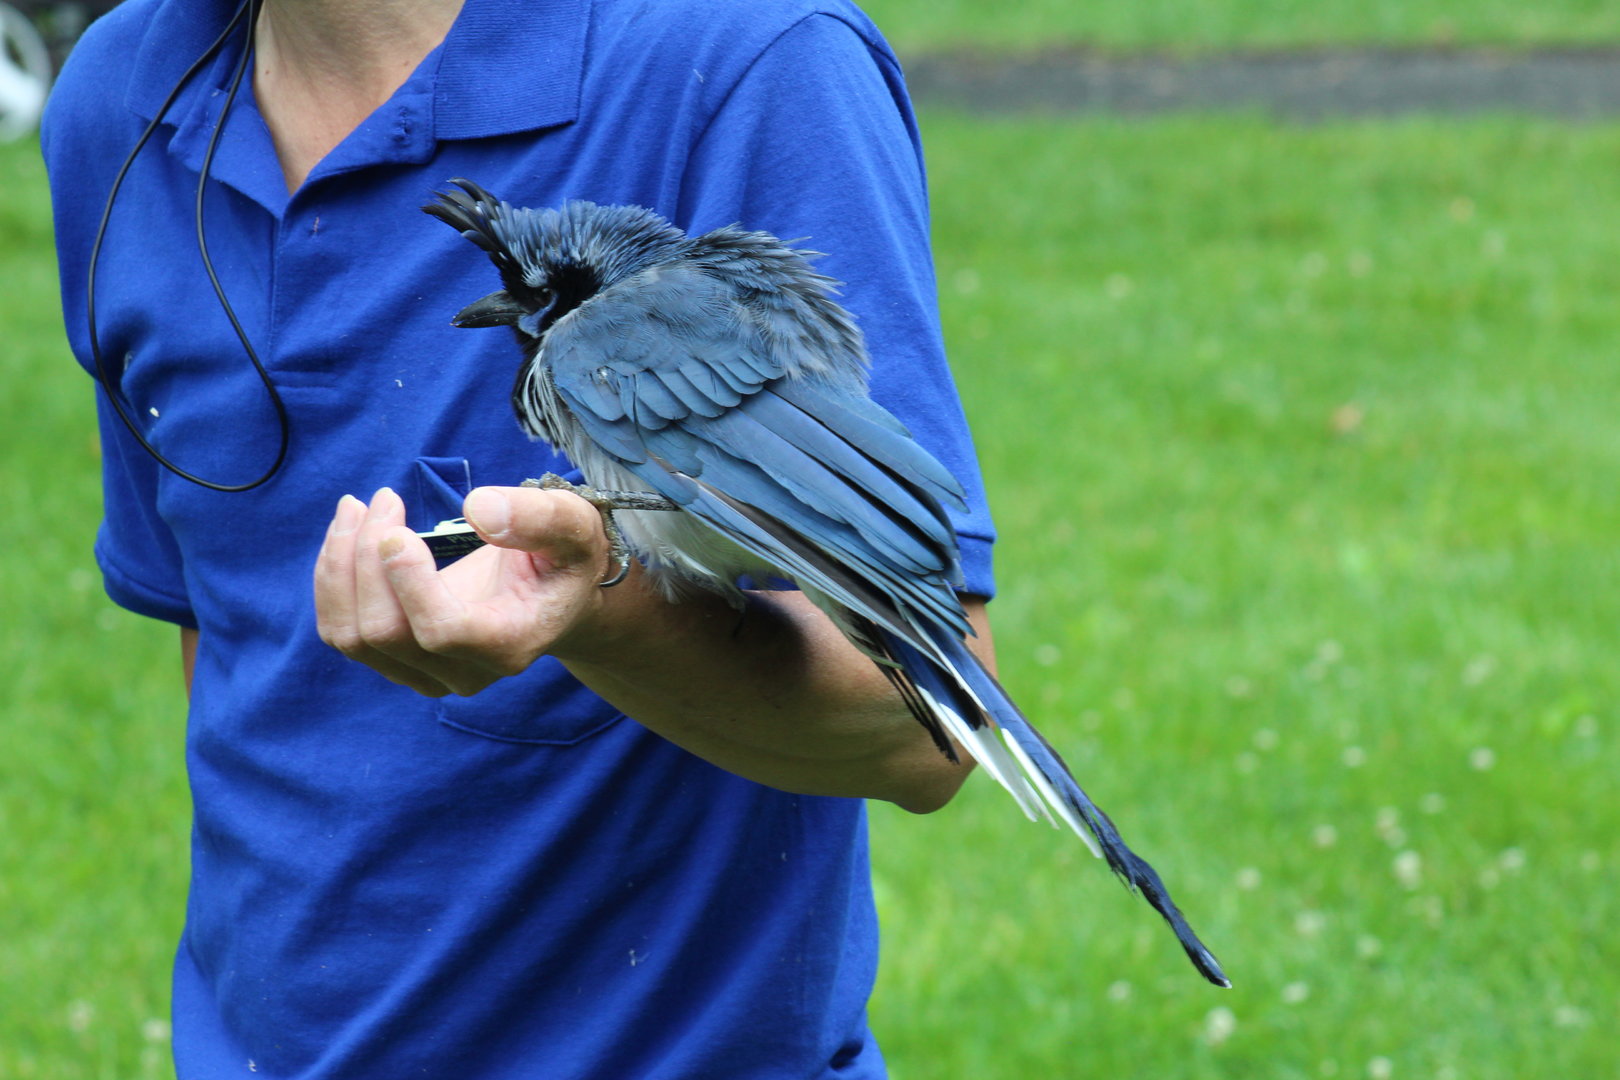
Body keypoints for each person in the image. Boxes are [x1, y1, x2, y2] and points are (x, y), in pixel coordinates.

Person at [43, 0, 999, 1075]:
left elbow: (934, 725)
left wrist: (600, 611)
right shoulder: (118, 96)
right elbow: (235, 657)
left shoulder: (744, 60)